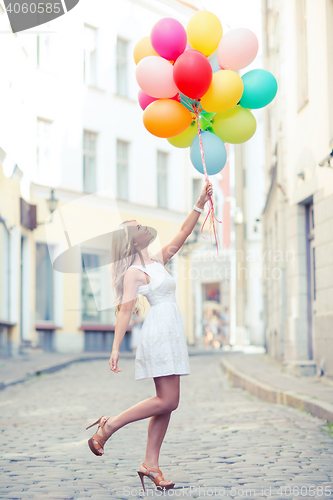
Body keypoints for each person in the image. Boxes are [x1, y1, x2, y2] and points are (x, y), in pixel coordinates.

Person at [85, 180, 213, 492]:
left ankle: (150, 464)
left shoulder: (157, 261)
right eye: (135, 226)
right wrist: (115, 348)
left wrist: (200, 201)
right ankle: (110, 425)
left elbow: (183, 233)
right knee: (168, 399)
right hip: (157, 333)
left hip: (172, 332)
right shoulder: (132, 272)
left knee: (168, 404)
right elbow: (126, 312)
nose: (141, 226)